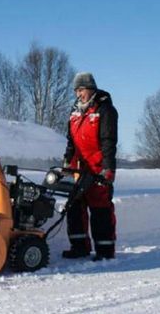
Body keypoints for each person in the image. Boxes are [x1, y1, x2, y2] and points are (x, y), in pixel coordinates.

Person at [62, 72, 118, 261]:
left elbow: (108, 142)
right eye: (76, 91)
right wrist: (66, 163)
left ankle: (105, 251)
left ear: (91, 88)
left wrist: (108, 169)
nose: (78, 94)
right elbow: (71, 142)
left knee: (100, 209)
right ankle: (79, 247)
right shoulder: (74, 113)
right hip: (78, 169)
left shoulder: (105, 110)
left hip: (98, 168)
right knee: (74, 207)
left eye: (81, 89)